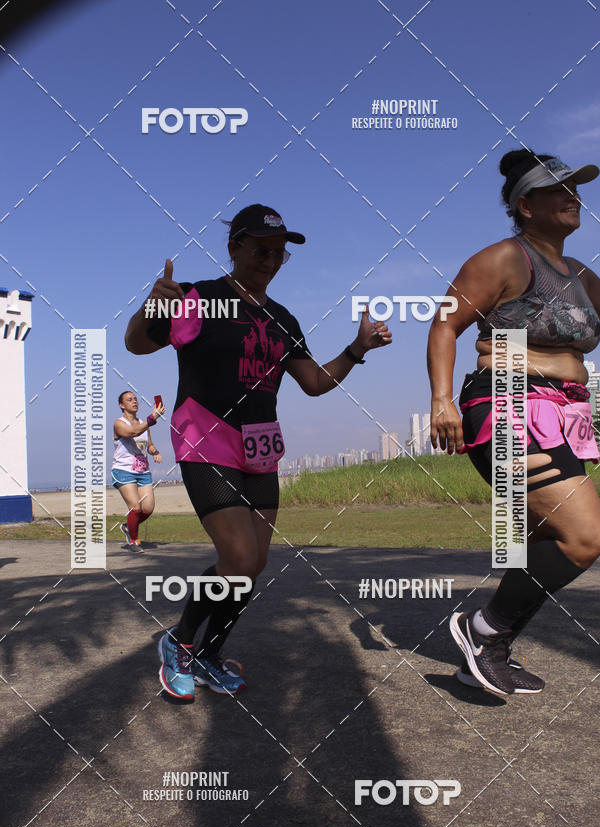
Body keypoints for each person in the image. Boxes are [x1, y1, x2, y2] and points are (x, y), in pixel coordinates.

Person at [125, 204, 392, 700]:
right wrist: (152, 305)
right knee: (239, 554)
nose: (270, 260)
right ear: (234, 248)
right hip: (205, 440)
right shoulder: (199, 298)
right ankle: (179, 643)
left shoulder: (282, 319)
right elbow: (137, 344)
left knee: (253, 564)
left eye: (279, 254)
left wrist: (357, 350)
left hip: (260, 448)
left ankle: (209, 654)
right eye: (260, 250)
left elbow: (313, 382)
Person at [427, 150, 600, 697]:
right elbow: (443, 326)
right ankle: (482, 630)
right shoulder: (504, 258)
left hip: (564, 410)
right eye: (558, 188)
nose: (573, 195)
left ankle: (489, 651)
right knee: (586, 535)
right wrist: (441, 401)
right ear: (525, 205)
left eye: (576, 187)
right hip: (506, 398)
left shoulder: (586, 279)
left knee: (543, 537)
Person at [112, 391, 164, 552]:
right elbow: (132, 433)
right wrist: (152, 418)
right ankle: (133, 541)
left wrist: (154, 451)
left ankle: (128, 527)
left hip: (142, 471)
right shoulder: (119, 424)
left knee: (147, 509)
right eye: (129, 400)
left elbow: (148, 445)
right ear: (122, 405)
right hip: (123, 470)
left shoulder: (143, 424)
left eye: (135, 399)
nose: (134, 401)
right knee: (135, 508)